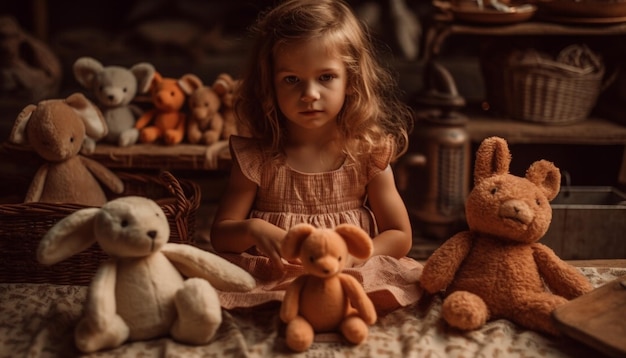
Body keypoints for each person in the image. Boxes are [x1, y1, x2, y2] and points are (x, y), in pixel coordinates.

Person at [210, 0, 422, 312]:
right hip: (277, 274)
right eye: (292, 79)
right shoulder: (258, 158)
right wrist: (253, 229)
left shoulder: (366, 153)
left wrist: (360, 254)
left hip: (349, 271)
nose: (310, 93)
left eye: (325, 77)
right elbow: (221, 235)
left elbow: (400, 235)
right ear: (270, 85)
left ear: (350, 80)